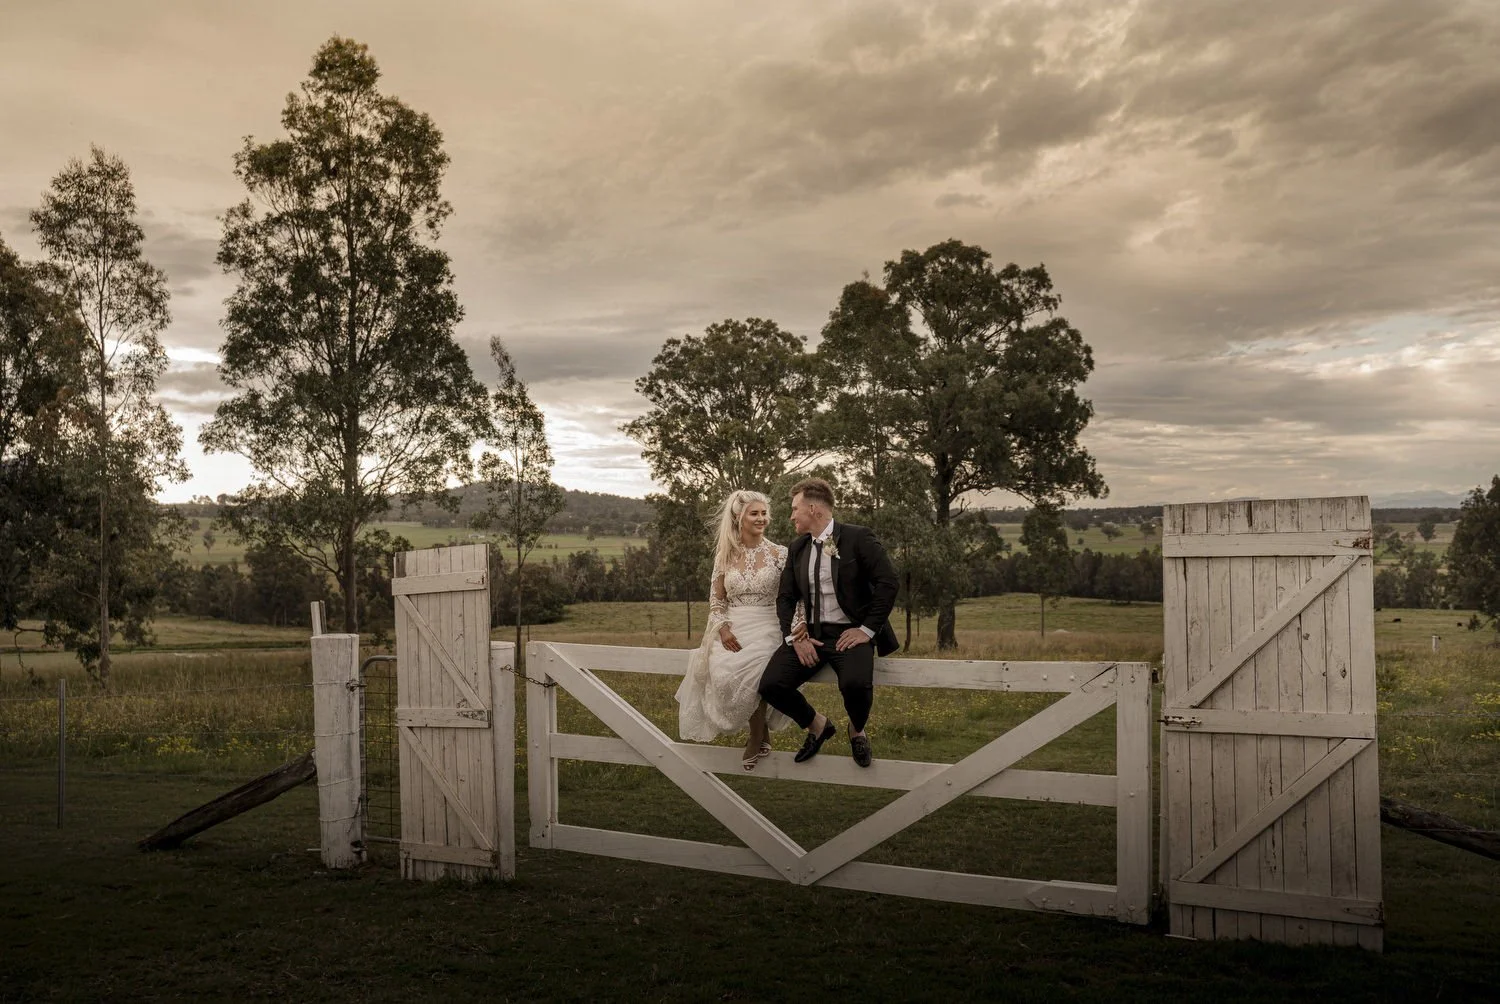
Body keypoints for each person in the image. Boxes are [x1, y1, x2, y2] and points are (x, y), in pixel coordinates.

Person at [758, 477, 899, 768]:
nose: (791, 515)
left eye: (795, 508)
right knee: (771, 684)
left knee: (856, 684)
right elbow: (785, 598)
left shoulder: (858, 538)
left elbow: (888, 582)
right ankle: (818, 726)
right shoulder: (797, 549)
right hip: (811, 635)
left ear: (813, 509)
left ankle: (856, 730)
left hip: (851, 634)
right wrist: (794, 637)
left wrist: (866, 629)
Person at [675, 489, 796, 770]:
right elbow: (717, 598)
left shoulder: (780, 554)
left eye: (764, 513)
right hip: (732, 626)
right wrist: (723, 628)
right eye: (754, 513)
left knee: (756, 669)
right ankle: (760, 730)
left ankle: (755, 736)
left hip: (768, 624)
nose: (761, 518)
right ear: (739, 518)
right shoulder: (725, 555)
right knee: (724, 673)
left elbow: (791, 597)